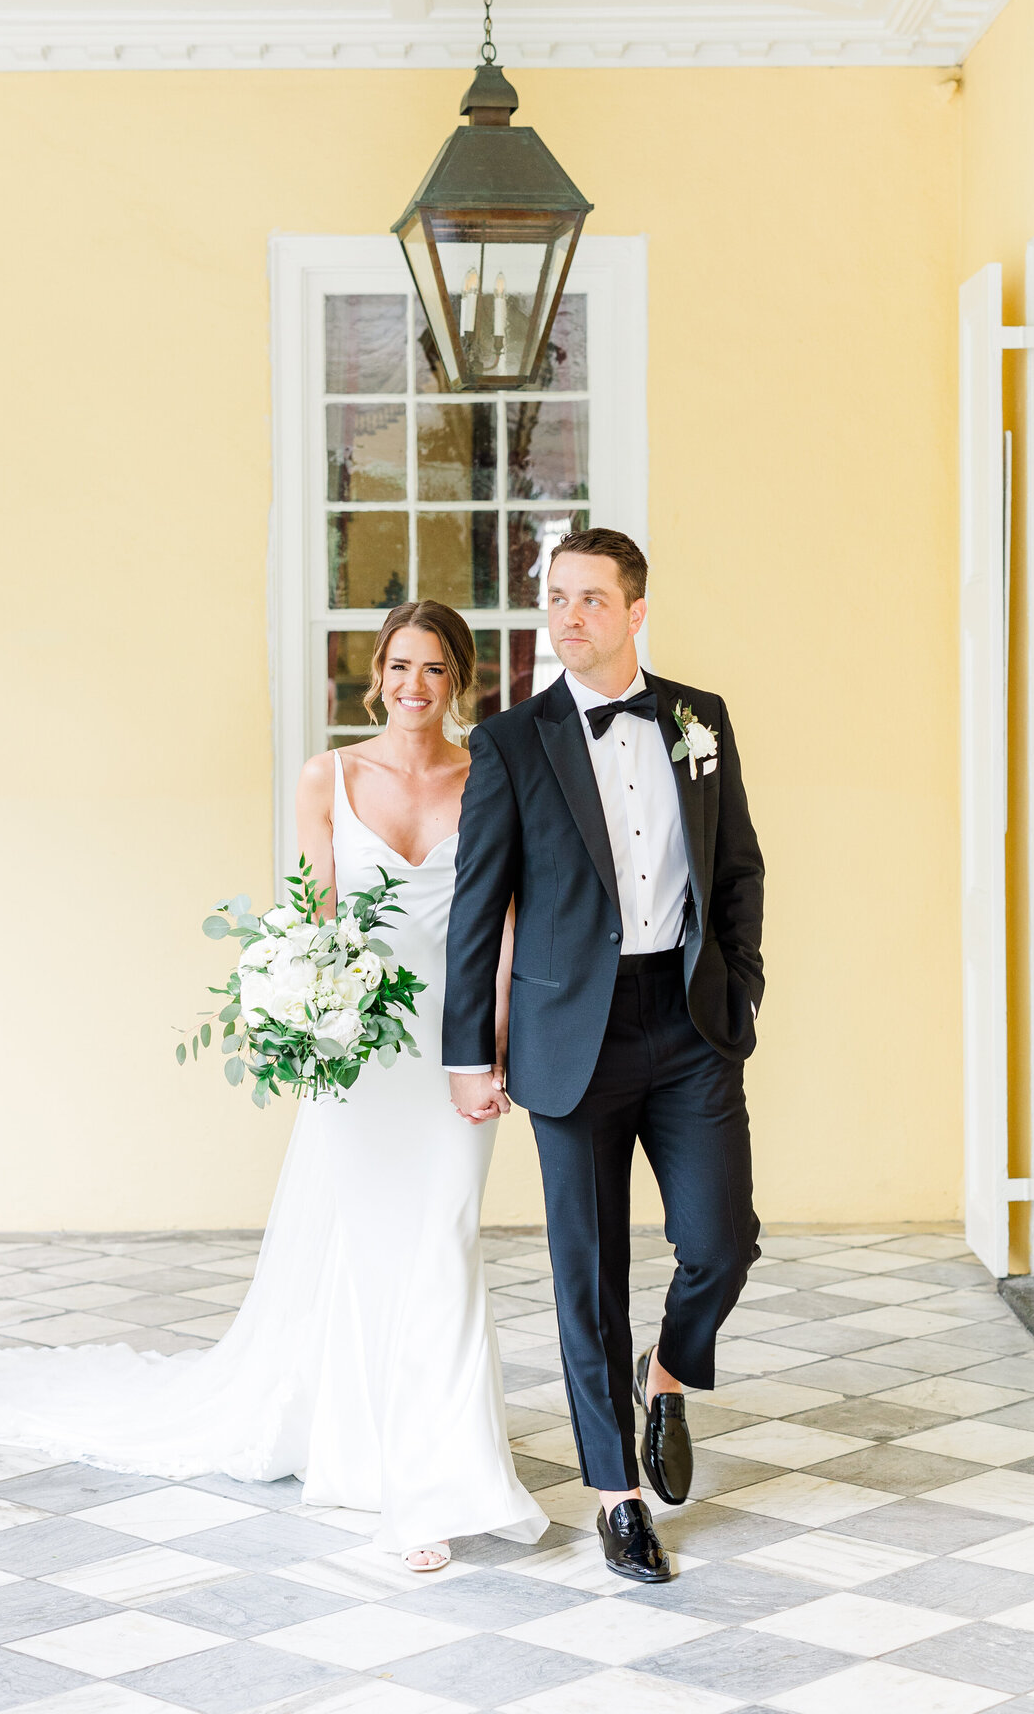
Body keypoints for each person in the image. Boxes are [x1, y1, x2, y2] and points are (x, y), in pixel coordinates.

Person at [0, 601, 545, 1574]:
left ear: (460, 682)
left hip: (451, 1052)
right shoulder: (327, 778)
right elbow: (314, 919)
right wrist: (309, 1014)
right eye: (401, 666)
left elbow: (501, 919)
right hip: (360, 1050)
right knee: (372, 1253)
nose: (416, 686)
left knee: (446, 1238)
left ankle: (448, 1465)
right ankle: (397, 1478)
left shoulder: (486, 775)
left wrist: (491, 1039)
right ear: (377, 675)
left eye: (436, 669)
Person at [444, 528, 764, 1584]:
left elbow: (737, 870)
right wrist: (466, 1051)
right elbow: (476, 909)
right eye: (558, 598)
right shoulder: (511, 743)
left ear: (636, 611)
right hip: (567, 1034)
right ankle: (616, 1495)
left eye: (592, 599)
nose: (569, 616)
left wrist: (739, 993)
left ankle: (666, 1375)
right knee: (588, 1274)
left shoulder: (696, 720)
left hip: (686, 1023)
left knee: (722, 1242)